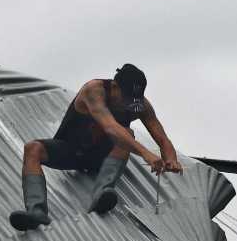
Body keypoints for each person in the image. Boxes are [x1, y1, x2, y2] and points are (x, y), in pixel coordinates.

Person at [9, 64, 182, 230]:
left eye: (133, 100)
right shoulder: (94, 91)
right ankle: (37, 211)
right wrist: (145, 153)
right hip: (71, 151)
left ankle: (102, 193)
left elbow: (162, 139)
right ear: (114, 86)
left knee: (127, 134)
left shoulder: (138, 105)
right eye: (126, 98)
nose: (128, 105)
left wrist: (171, 160)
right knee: (33, 148)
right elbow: (111, 128)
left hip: (101, 157)